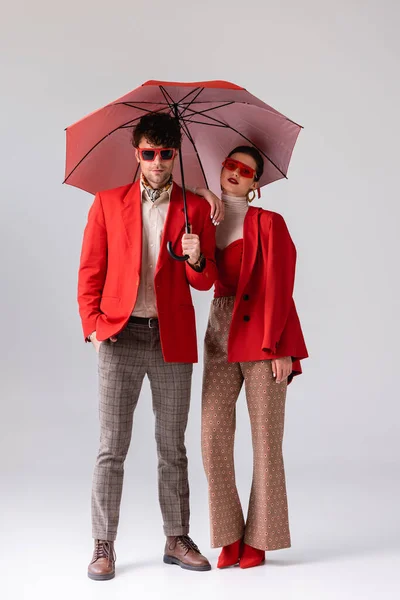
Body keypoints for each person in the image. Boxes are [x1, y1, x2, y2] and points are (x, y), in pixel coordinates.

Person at [77, 112, 218, 579]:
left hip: (170, 338)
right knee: (111, 446)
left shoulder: (194, 208)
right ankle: (103, 544)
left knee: (171, 445)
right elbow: (90, 271)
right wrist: (94, 325)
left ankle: (176, 537)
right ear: (136, 154)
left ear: (175, 156)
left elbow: (205, 282)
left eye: (165, 154)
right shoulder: (106, 203)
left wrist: (198, 257)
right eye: (148, 154)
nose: (157, 162)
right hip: (120, 334)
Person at [194, 146, 308, 569]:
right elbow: (203, 282)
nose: (236, 174)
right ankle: (228, 535)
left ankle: (259, 538)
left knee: (265, 441)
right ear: (220, 169)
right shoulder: (205, 220)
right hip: (220, 329)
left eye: (246, 171)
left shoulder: (269, 223)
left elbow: (281, 285)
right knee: (212, 436)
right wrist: (194, 247)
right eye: (230, 166)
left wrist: (280, 345)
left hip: (262, 331)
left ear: (256, 184)